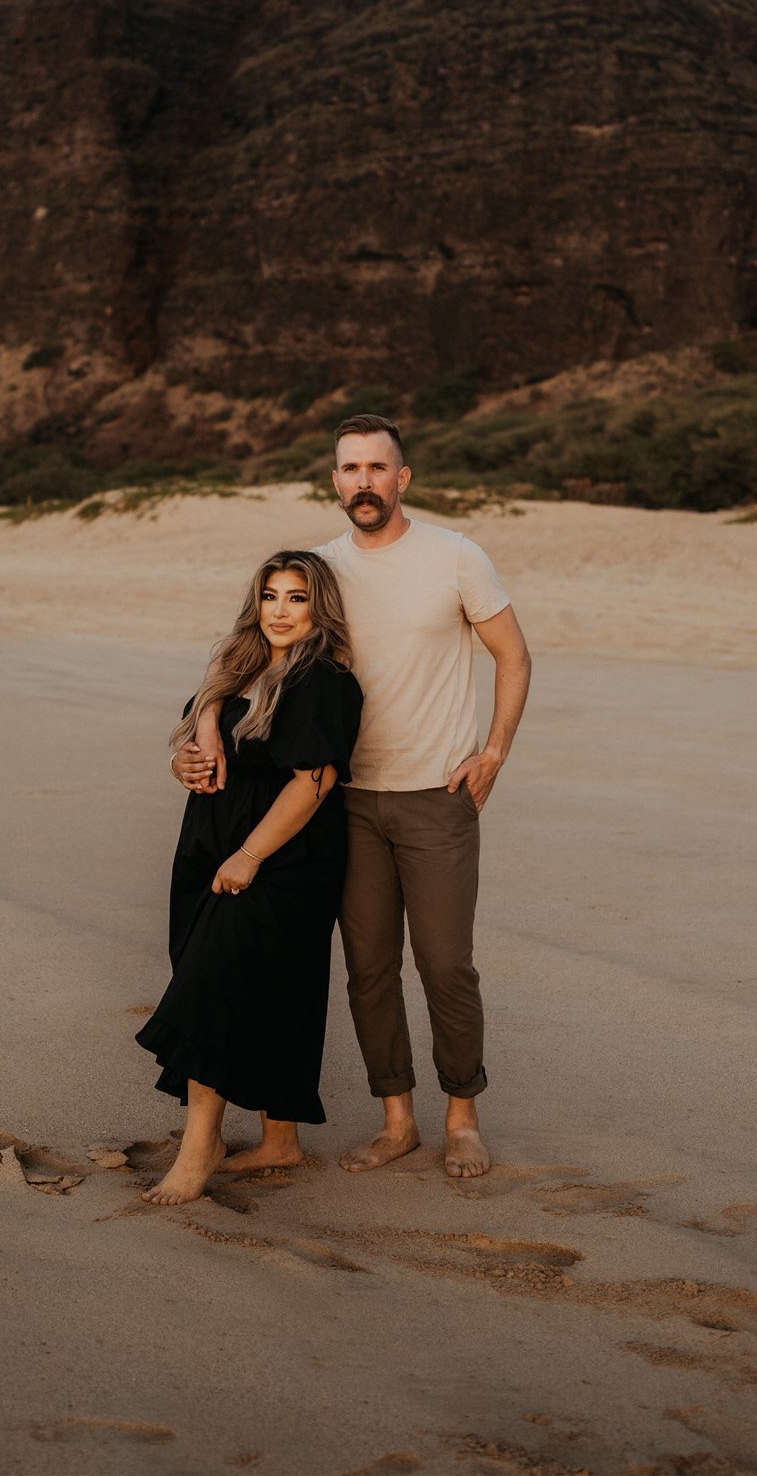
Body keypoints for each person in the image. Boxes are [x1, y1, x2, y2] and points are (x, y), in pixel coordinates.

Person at [175, 414, 530, 1180]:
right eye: (349, 469)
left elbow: (512, 655)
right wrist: (199, 725)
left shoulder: (455, 557)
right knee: (368, 969)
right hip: (346, 804)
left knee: (444, 966)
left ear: (402, 478)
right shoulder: (324, 571)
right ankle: (395, 1119)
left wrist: (493, 749)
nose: (362, 481)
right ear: (333, 481)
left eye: (376, 468)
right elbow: (250, 655)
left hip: (436, 794)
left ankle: (461, 1117)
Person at [136, 549, 363, 1205]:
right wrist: (191, 754)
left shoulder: (322, 680)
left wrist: (250, 856)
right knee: (269, 991)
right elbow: (210, 745)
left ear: (319, 607)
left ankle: (199, 1142)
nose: (281, 611)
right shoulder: (241, 665)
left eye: (296, 597)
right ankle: (280, 1140)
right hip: (211, 843)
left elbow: (314, 782)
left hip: (281, 858)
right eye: (271, 596)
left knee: (210, 986)